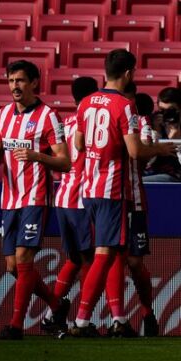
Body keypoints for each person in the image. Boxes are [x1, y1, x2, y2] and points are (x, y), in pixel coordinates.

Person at [69, 49, 175, 337]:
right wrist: (161, 149)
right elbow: (135, 151)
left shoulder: (86, 102)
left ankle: (121, 317)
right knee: (107, 253)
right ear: (129, 73)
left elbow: (78, 145)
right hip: (115, 190)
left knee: (116, 254)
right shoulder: (125, 107)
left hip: (89, 189)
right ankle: (81, 320)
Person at [0, 60, 72, 340]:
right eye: (11, 80)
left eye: (20, 80)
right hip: (9, 198)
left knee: (23, 257)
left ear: (34, 83)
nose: (14, 86)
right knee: (13, 266)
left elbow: (65, 162)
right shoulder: (2, 115)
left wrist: (37, 156)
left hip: (35, 197)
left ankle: (16, 326)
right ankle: (57, 304)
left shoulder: (48, 117)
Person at [41, 77, 99, 333]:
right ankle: (81, 321)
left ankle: (49, 314)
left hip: (62, 199)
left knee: (74, 258)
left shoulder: (65, 123)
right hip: (82, 200)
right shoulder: (92, 122)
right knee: (89, 260)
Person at [124, 91, 160, 336]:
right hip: (104, 198)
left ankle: (147, 312)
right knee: (100, 258)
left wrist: (152, 147)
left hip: (133, 200)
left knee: (134, 262)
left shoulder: (142, 122)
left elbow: (145, 149)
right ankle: (114, 318)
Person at [143, 87, 181, 182]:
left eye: (171, 110)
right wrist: (156, 132)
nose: (166, 114)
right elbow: (146, 160)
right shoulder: (151, 122)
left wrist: (176, 136)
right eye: (162, 110)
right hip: (153, 172)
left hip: (174, 174)